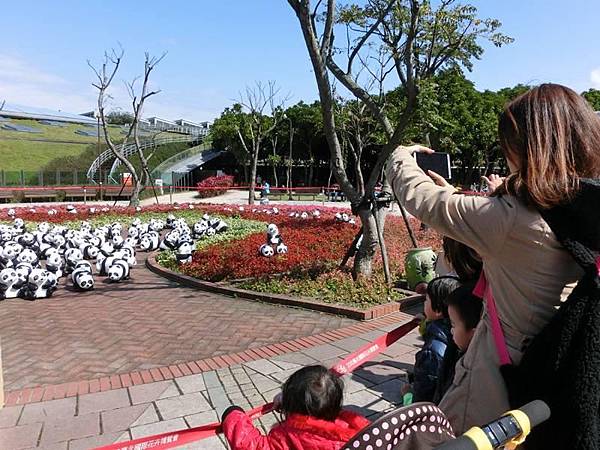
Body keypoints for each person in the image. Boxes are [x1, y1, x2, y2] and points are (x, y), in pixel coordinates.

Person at [386, 84, 600, 433]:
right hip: (560, 373)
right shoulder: (581, 206)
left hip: (499, 386)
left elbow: (424, 200)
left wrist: (400, 156)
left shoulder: (512, 219)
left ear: (528, 147)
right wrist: (457, 195)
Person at [221, 365, 370, 450]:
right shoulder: (358, 429)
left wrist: (233, 415)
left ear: (292, 403)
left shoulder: (289, 436)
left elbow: (252, 446)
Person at [403, 276, 461, 403]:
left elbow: (422, 400)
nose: (424, 303)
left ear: (439, 310)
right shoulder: (457, 332)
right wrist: (424, 322)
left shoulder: (431, 352)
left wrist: (407, 395)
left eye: (426, 300)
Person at [433, 283, 483, 404]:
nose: (451, 330)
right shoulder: (465, 354)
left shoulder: (470, 374)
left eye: (453, 325)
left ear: (475, 333)